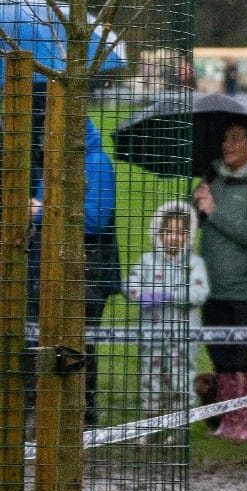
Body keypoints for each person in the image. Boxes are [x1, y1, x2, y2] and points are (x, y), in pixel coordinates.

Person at [26, 116, 119, 428]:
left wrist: (41, 211)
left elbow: (94, 218)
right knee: (44, 341)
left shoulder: (96, 163)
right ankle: (44, 413)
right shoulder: (53, 163)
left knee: (79, 345)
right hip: (50, 267)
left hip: (89, 270)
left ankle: (83, 417)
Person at [193, 120, 247, 441]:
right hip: (212, 286)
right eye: (226, 139)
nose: (228, 145)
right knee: (221, 354)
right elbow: (191, 223)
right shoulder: (212, 176)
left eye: (237, 140)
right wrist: (195, 203)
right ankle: (228, 419)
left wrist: (213, 211)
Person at [125, 202, 210, 430]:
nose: (174, 238)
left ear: (188, 235)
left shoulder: (194, 263)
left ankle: (179, 426)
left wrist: (170, 295)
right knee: (150, 376)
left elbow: (199, 293)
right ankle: (151, 424)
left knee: (180, 377)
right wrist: (146, 296)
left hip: (183, 333)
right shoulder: (146, 262)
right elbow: (131, 288)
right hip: (151, 332)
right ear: (159, 233)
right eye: (168, 232)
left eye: (180, 232)